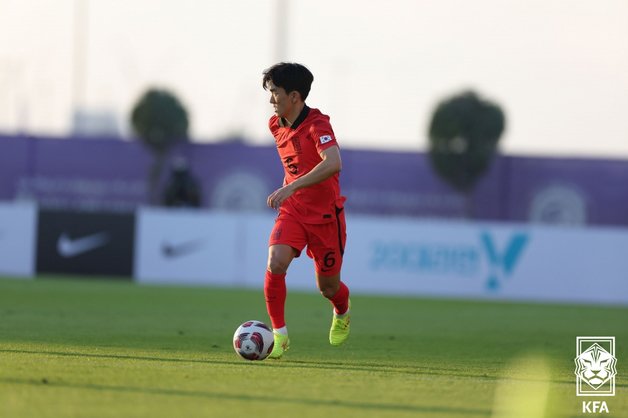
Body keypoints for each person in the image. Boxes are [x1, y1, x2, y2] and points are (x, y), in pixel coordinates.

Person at [261, 62, 351, 359]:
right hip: (294, 212)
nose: (271, 99)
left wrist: (291, 186)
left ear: (295, 96)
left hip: (326, 218)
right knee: (276, 262)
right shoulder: (275, 125)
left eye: (275, 93)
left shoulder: (317, 125)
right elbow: (294, 163)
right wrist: (290, 190)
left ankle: (342, 308)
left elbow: (333, 162)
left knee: (328, 287)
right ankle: (279, 335)